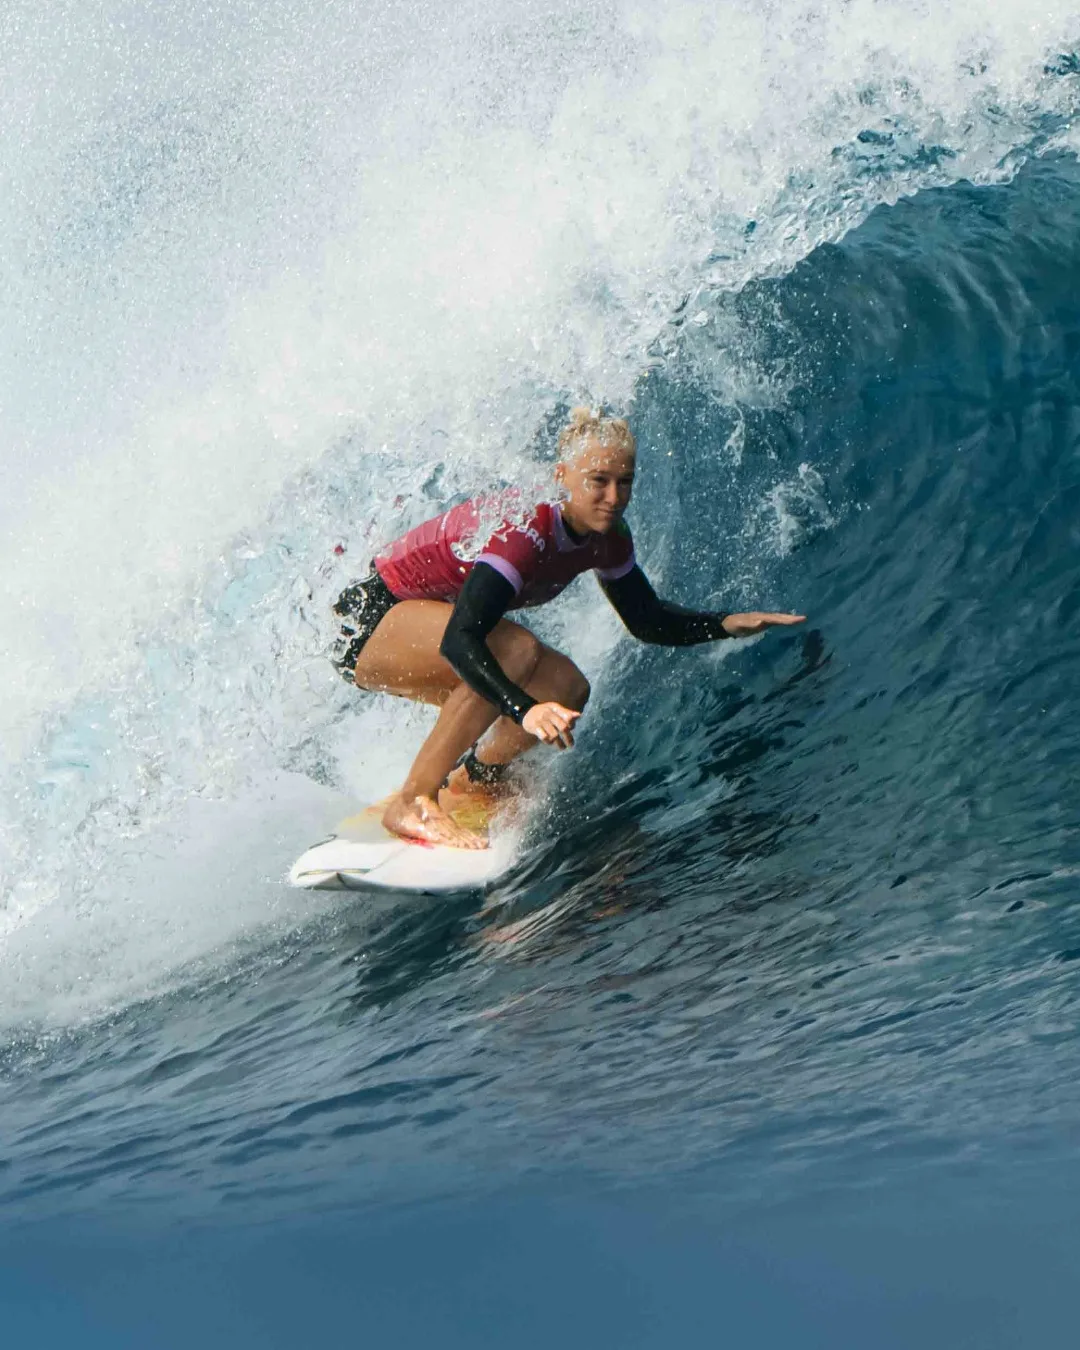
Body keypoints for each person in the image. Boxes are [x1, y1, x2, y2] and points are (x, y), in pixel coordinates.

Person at [330, 408, 805, 849]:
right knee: (515, 650)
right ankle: (414, 802)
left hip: (420, 623)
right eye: (598, 481)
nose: (614, 497)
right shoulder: (527, 531)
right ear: (563, 477)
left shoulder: (607, 539)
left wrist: (722, 624)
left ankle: (475, 783)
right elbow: (461, 639)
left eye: (625, 482)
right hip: (369, 623)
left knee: (566, 686)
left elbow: (646, 620)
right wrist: (522, 709)